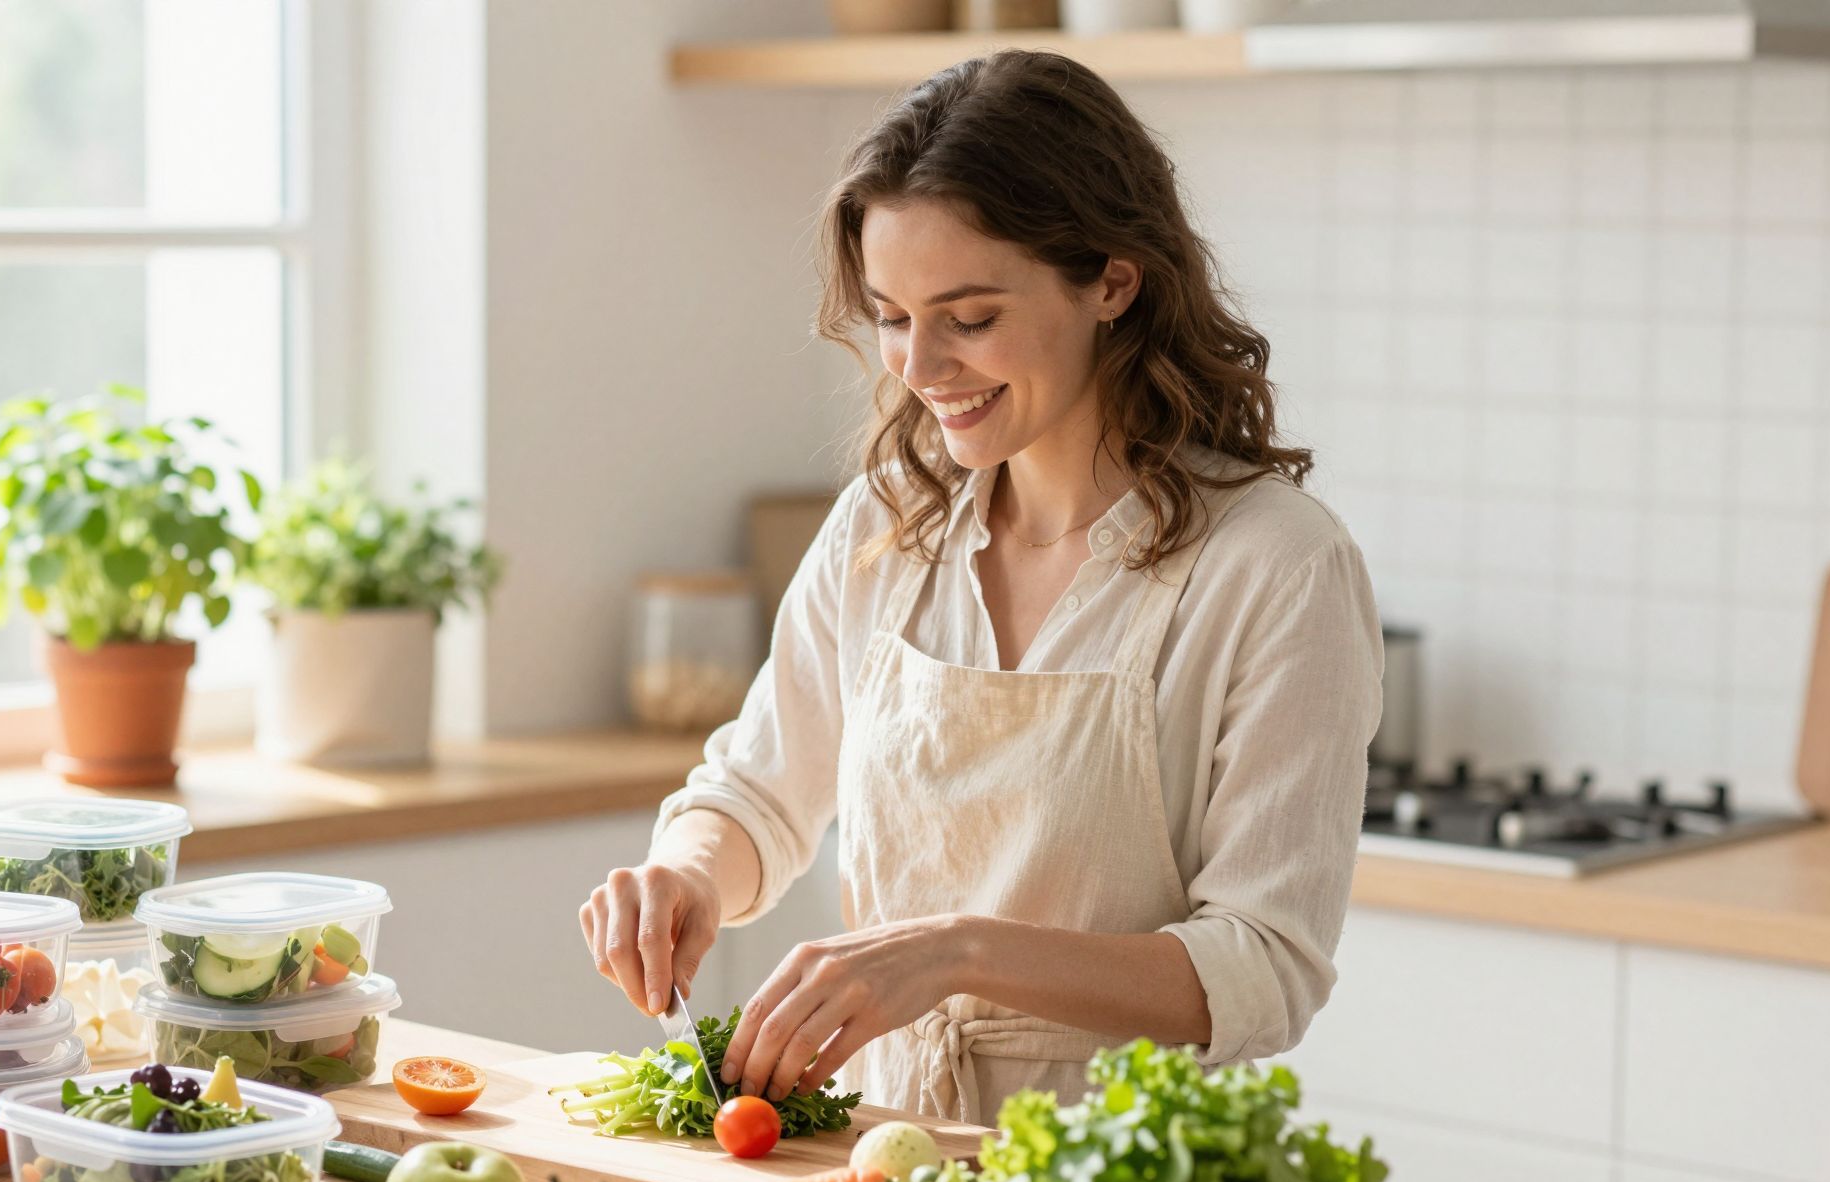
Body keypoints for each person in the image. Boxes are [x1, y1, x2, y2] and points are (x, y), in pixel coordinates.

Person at [579, 50, 1382, 1125]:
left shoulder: (1273, 566)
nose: (917, 365)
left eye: (967, 317)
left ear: (1110, 278)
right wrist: (682, 875)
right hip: (877, 1164)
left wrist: (954, 954)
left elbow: (1260, 966)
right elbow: (760, 794)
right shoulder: (885, 523)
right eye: (891, 316)